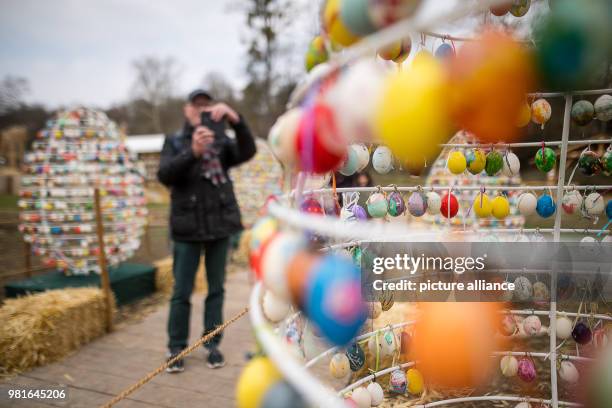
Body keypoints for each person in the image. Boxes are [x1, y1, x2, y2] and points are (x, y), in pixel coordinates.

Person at [157, 89, 256, 372]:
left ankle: (212, 345)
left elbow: (248, 151)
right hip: (187, 228)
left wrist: (236, 120)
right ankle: (176, 347)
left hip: (219, 227)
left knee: (216, 290)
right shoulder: (175, 141)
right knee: (181, 290)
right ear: (187, 110)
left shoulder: (223, 141)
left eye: (206, 106)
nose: (201, 110)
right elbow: (165, 175)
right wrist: (193, 152)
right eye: (196, 105)